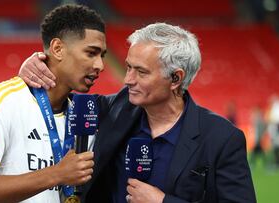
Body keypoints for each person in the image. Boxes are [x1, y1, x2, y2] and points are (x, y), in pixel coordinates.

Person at [19, 23, 256, 202]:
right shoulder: (118, 108)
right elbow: (59, 100)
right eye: (129, 67)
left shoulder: (221, 138)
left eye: (141, 72)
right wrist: (38, 64)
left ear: (176, 78)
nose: (127, 79)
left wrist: (163, 202)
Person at [0, 4, 107, 203]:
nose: (100, 66)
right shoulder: (0, 102)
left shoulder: (84, 115)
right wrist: (57, 174)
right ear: (57, 49)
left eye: (102, 56)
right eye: (91, 53)